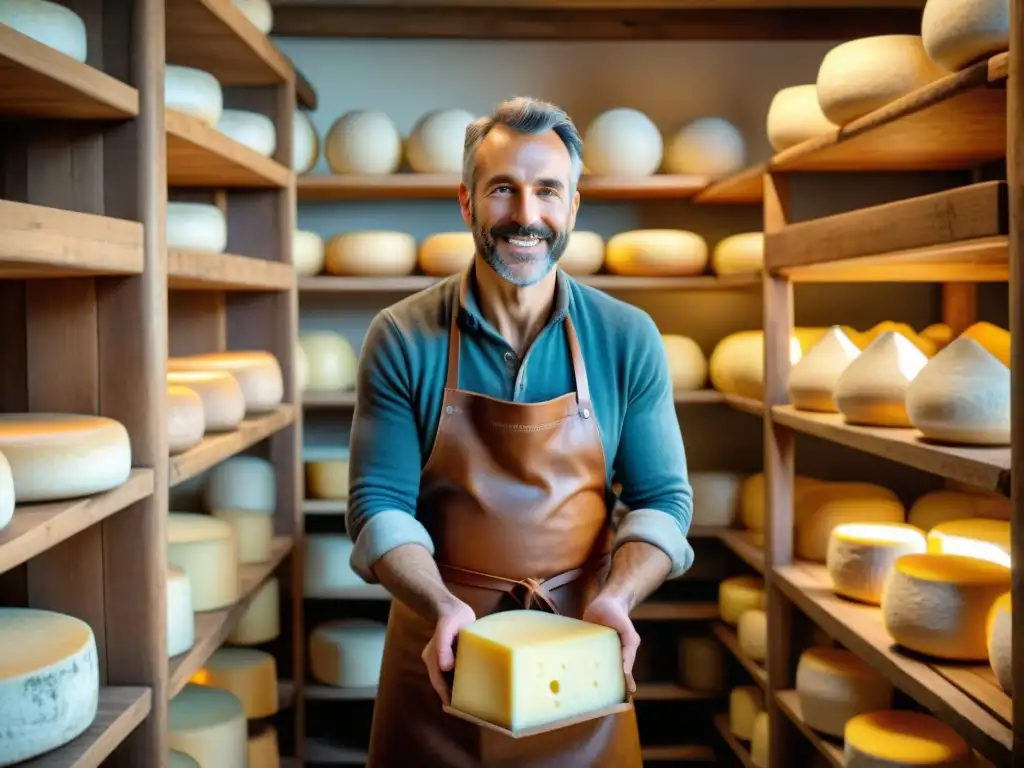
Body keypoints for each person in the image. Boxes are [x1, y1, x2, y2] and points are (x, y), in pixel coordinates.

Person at [346, 95, 695, 767]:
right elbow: (377, 506)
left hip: (579, 657)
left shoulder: (626, 339)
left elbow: (663, 501)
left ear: (572, 207)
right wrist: (441, 604)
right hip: (442, 652)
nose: (526, 216)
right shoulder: (401, 336)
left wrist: (618, 599)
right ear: (467, 202)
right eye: (503, 190)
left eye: (547, 192)